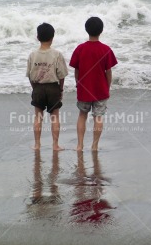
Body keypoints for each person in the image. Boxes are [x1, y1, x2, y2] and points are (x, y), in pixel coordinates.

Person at [69, 17, 118, 151]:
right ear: (101, 31)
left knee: (82, 115)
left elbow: (76, 70)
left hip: (84, 89)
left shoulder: (80, 49)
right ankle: (95, 145)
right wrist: (107, 87)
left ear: (86, 30)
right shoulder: (106, 49)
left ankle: (79, 145)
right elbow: (108, 72)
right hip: (100, 90)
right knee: (98, 117)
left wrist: (78, 83)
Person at [26, 23, 68, 151]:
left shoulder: (32, 55)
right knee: (54, 117)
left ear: (37, 37)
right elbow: (61, 75)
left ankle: (37, 144)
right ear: (52, 37)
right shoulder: (57, 54)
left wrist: (34, 88)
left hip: (38, 87)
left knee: (38, 117)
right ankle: (55, 145)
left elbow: (30, 75)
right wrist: (61, 89)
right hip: (53, 88)